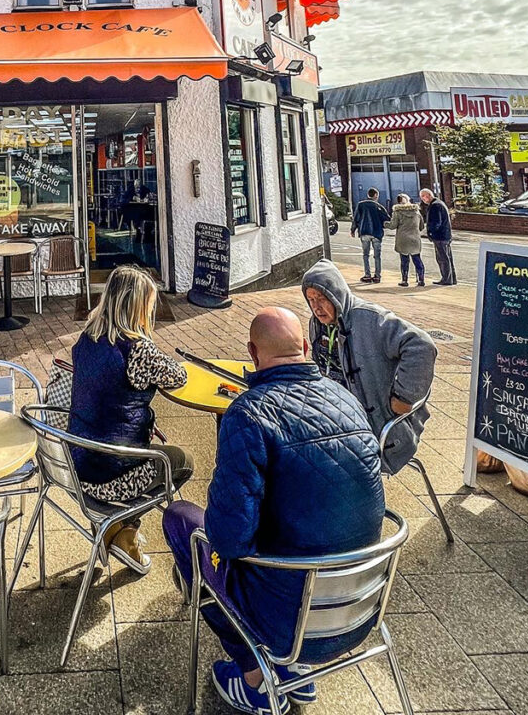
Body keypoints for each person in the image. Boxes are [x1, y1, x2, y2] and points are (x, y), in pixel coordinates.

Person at [163, 307, 384, 714]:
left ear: (252, 352)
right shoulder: (347, 399)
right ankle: (295, 673)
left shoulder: (247, 414)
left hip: (286, 617)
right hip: (359, 607)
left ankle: (255, 677)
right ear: (304, 347)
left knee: (180, 519)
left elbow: (229, 540)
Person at [68, 265, 192, 571]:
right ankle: (123, 529)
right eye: (149, 304)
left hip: (76, 464)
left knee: (161, 454)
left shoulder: (88, 338)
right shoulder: (136, 349)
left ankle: (115, 530)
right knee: (181, 460)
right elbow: (178, 377)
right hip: (109, 474)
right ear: (137, 305)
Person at [302, 259, 436, 474]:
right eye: (311, 300)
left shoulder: (370, 319)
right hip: (338, 419)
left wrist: (404, 397)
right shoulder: (317, 324)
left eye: (322, 298)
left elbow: (422, 345)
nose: (316, 307)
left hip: (376, 425)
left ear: (336, 294)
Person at [385, 192, 426, 287]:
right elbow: (421, 226)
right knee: (417, 259)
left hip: (403, 239)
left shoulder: (397, 212)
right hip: (415, 239)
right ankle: (421, 279)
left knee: (404, 260)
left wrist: (385, 224)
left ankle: (404, 280)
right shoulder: (416, 212)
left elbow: (393, 225)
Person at [350, 187, 388, 283]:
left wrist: (353, 230)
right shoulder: (379, 206)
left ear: (368, 195)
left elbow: (356, 218)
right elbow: (387, 219)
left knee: (365, 255)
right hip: (376, 233)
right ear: (375, 195)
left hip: (364, 232)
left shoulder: (360, 205)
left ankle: (367, 275)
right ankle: (377, 276)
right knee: (377, 255)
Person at [420, 188, 456, 285]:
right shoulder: (439, 203)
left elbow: (436, 222)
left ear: (427, 195)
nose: (423, 199)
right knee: (447, 258)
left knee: (442, 258)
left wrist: (431, 233)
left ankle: (446, 279)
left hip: (440, 236)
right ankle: (451, 279)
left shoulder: (435, 205)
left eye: (423, 197)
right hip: (445, 235)